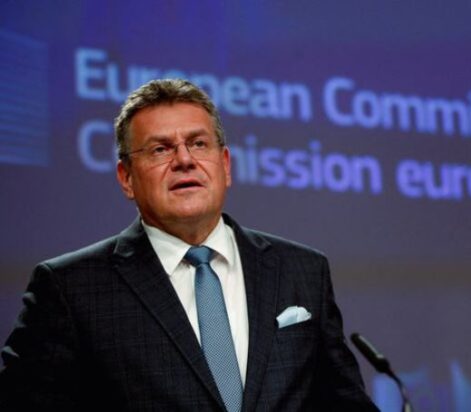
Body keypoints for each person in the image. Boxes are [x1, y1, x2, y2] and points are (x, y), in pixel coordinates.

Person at [0, 79, 378, 411]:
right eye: (160, 149)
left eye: (198, 143)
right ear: (126, 177)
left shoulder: (302, 270)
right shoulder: (70, 289)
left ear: (225, 165)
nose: (184, 160)